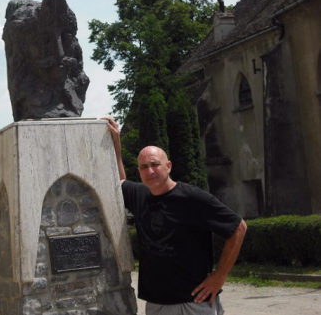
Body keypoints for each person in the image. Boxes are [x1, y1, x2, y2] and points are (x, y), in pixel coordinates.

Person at [103, 117, 247, 315]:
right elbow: (119, 182)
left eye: (155, 164)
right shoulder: (140, 195)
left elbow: (238, 227)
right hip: (157, 303)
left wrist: (220, 276)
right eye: (144, 167)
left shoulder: (192, 197)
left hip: (193, 303)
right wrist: (116, 144)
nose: (150, 171)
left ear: (168, 166)